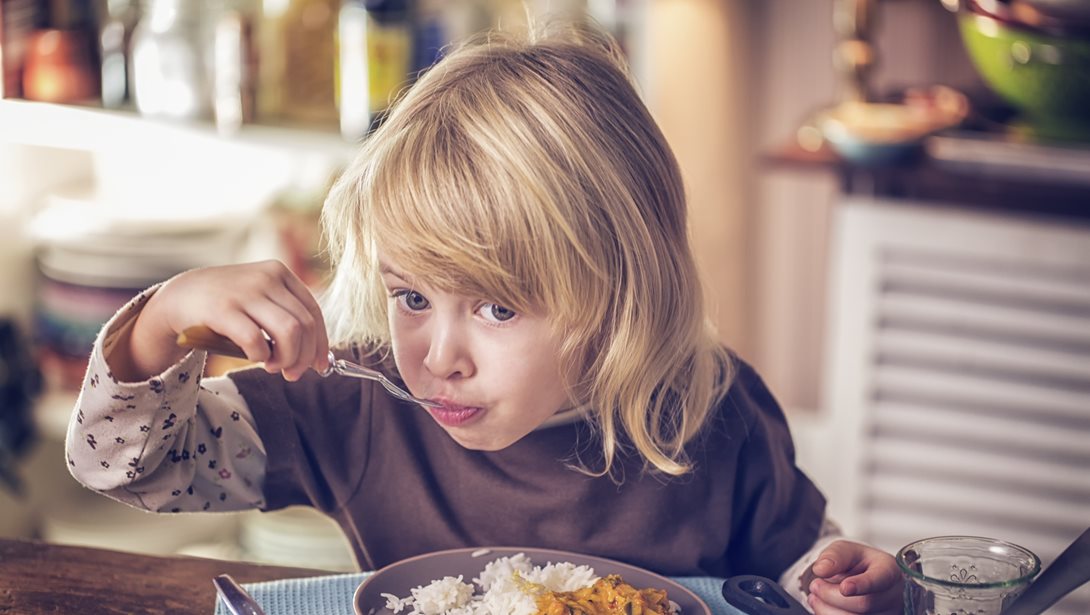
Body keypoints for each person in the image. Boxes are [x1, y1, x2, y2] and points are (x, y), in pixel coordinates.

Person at [66, 22, 902, 614]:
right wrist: (163, 319)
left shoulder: (712, 412)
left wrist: (843, 581)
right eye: (413, 297)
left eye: (499, 307)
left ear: (620, 296)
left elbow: (799, 572)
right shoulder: (361, 402)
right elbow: (132, 469)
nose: (439, 357)